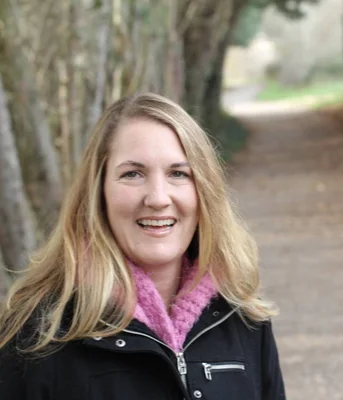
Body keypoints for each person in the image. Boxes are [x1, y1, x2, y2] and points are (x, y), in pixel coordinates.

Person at [0, 93, 286, 400]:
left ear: (204, 190)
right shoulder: (38, 335)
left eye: (178, 173)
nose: (158, 198)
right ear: (99, 193)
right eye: (132, 174)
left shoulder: (242, 318)